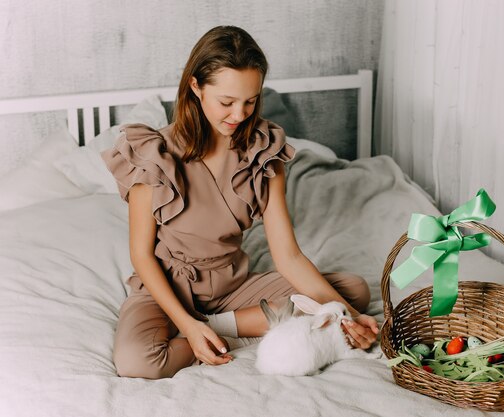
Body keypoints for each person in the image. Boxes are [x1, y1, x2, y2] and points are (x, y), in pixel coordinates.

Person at [101, 25, 378, 379]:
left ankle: (219, 328)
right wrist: (185, 324)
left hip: (232, 287)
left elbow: (288, 256)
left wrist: (345, 316)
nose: (239, 114)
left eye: (250, 101)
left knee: (350, 292)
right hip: (165, 289)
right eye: (227, 102)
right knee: (137, 361)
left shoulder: (264, 152)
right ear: (196, 87)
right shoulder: (152, 154)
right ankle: (214, 330)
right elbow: (141, 256)